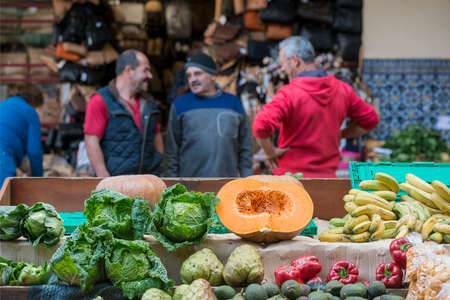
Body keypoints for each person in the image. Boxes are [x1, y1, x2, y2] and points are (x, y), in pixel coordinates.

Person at [253, 36, 379, 178]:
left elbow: (260, 126)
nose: (282, 69)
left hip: (291, 181)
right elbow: (371, 120)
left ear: (295, 61)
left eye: (283, 63)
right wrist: (340, 134)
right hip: (327, 180)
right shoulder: (342, 89)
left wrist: (271, 153)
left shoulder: (288, 93)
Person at [165, 52, 253, 177]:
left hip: (226, 183)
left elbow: (245, 147)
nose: (192, 79)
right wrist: (172, 182)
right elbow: (171, 151)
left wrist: (247, 179)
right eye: (189, 76)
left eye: (198, 74)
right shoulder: (180, 105)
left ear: (212, 75)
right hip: (190, 187)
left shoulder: (234, 103)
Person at [84, 49, 163, 177]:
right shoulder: (100, 100)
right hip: (117, 184)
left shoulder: (149, 101)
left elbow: (156, 136)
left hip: (147, 181)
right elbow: (91, 141)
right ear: (128, 71)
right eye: (145, 70)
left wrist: (159, 167)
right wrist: (103, 177)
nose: (150, 76)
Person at [0, 84, 44, 187]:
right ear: (36, 104)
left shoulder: (4, 104)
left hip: (4, 154)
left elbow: (8, 136)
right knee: (4, 200)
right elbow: (35, 153)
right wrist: (39, 181)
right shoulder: (30, 112)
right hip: (2, 159)